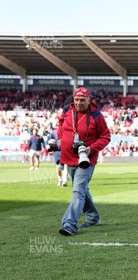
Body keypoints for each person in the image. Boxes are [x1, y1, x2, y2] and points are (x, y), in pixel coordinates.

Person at [56, 87, 111, 236]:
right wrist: (60, 138)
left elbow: (106, 137)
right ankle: (93, 217)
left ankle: (69, 224)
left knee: (78, 190)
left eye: (82, 100)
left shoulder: (96, 116)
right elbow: (60, 124)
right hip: (68, 158)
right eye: (76, 99)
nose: (79, 102)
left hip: (85, 160)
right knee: (82, 190)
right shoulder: (67, 110)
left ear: (89, 100)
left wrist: (91, 149)